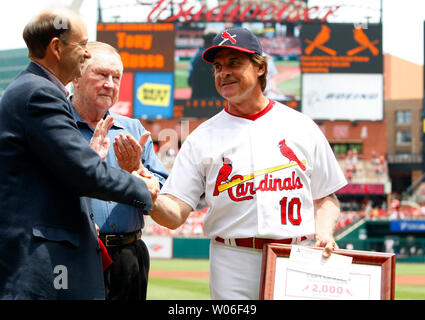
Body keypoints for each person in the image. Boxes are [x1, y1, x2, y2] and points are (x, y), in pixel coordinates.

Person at [147, 27, 347, 300]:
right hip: (231, 258)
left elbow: (325, 197)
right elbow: (175, 212)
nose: (223, 72)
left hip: (294, 255)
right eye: (217, 66)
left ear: (260, 68)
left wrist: (324, 231)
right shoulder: (202, 137)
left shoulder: (302, 126)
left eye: (234, 63)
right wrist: (149, 196)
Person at [0, 8, 159, 300]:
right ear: (56, 48)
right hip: (42, 263)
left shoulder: (32, 88)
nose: (87, 54)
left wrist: (90, 160)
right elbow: (84, 175)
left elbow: (64, 172)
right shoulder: (41, 94)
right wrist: (144, 188)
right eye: (82, 45)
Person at [70, 41, 168, 300]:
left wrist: (138, 172)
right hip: (76, 253)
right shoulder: (57, 124)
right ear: (76, 76)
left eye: (116, 77)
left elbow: (161, 192)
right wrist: (87, 162)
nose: (110, 84)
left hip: (129, 254)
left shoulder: (134, 129)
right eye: (101, 74)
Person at [188, 28, 222, 99]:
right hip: (212, 100)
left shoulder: (196, 56)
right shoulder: (213, 56)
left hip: (197, 99)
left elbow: (190, 81)